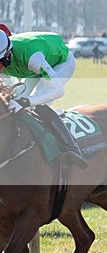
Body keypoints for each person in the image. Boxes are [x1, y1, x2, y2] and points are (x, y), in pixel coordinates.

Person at [0, 27, 88, 167]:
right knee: (15, 101)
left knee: (39, 104)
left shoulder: (34, 58)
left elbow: (58, 91)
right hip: (31, 67)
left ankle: (72, 149)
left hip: (59, 62)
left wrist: (27, 101)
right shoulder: (6, 54)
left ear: (7, 55)